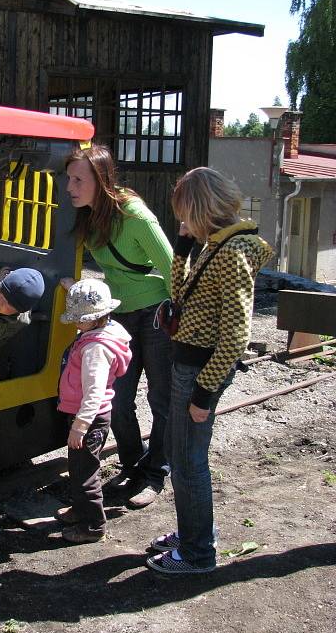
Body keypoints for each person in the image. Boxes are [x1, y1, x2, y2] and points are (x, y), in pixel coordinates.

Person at [147, 167, 273, 575]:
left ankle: (198, 553)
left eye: (184, 214)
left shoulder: (233, 253)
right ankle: (193, 534)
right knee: (179, 455)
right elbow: (180, 295)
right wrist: (182, 251)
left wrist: (203, 395)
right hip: (190, 362)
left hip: (200, 370)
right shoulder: (214, 246)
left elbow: (237, 335)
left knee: (187, 462)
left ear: (200, 209)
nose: (182, 221)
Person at [64, 144, 173, 508]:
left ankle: (155, 474)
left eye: (78, 179)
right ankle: (131, 465)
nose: (70, 187)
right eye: (69, 178)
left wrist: (184, 324)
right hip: (118, 315)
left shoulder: (136, 217)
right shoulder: (88, 215)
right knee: (120, 399)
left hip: (155, 314)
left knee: (161, 398)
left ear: (101, 179)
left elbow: (174, 270)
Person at [55, 278, 132, 544]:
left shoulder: (96, 350)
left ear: (96, 317)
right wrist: (72, 286)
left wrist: (80, 425)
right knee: (78, 468)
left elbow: (94, 393)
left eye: (79, 319)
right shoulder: (106, 330)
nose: (75, 323)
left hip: (88, 418)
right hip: (88, 417)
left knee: (85, 472)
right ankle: (80, 510)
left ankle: (93, 526)